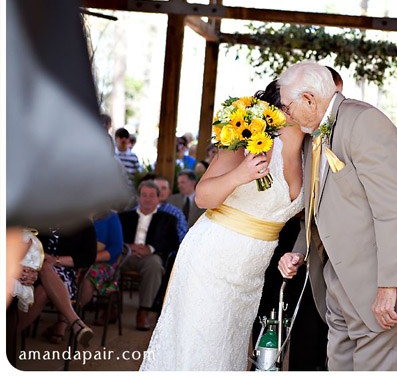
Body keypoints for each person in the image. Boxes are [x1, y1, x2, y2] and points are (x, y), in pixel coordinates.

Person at [277, 61, 397, 371]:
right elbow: (319, 205)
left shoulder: (364, 122)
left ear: (310, 99)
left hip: (379, 288)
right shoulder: (315, 135)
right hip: (339, 284)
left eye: (288, 107)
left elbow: (395, 208)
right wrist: (299, 252)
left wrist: (388, 286)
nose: (286, 115)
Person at [140, 81, 305, 370]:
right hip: (211, 262)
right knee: (201, 352)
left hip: (250, 272)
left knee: (228, 353)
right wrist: (240, 174)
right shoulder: (248, 137)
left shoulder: (312, 154)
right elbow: (203, 197)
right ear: (284, 107)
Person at [118, 181, 179, 331]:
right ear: (138, 197)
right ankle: (111, 306)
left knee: (155, 265)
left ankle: (143, 310)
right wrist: (129, 247)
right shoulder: (124, 217)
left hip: (150, 257)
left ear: (159, 198)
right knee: (112, 260)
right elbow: (115, 239)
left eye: (152, 196)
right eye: (144, 195)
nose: (147, 199)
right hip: (126, 254)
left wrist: (150, 248)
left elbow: (173, 243)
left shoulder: (168, 219)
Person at [78, 210, 124, 325]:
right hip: (77, 258)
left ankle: (67, 319)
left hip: (105, 262)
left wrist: (90, 258)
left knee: (89, 277)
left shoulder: (111, 216)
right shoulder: (76, 214)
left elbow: (116, 249)